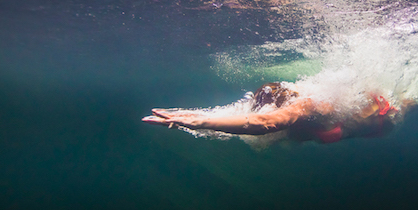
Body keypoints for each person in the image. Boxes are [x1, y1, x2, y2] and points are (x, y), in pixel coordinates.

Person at [142, 82, 404, 144]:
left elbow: (265, 122)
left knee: (404, 106)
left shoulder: (307, 105)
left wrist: (199, 122)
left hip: (378, 117)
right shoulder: (271, 107)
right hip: (352, 130)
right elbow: (239, 116)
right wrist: (185, 118)